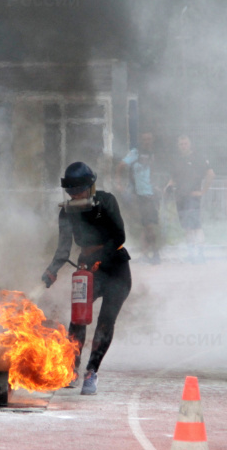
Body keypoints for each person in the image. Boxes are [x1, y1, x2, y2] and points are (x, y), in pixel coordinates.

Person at [41, 162, 132, 395]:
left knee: (105, 322)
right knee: (78, 319)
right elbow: (63, 248)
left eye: (79, 190)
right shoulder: (67, 211)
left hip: (116, 269)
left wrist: (100, 258)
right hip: (87, 271)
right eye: (70, 191)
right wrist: (52, 269)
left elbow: (119, 235)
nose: (75, 195)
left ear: (91, 187)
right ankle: (72, 367)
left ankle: (92, 372)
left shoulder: (106, 202)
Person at [165, 135, 215, 264]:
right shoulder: (176, 160)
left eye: (185, 143)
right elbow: (174, 179)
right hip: (180, 197)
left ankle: (200, 254)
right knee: (187, 227)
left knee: (196, 226)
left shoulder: (198, 158)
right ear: (178, 145)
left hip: (192, 197)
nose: (183, 146)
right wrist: (168, 186)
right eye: (181, 144)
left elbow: (211, 174)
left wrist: (203, 191)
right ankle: (191, 254)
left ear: (190, 144)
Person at [117, 132, 160, 264]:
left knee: (149, 226)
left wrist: (158, 188)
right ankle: (149, 254)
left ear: (152, 141)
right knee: (146, 226)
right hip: (139, 195)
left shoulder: (153, 155)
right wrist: (119, 183)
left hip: (151, 195)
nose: (147, 141)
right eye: (145, 139)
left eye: (149, 139)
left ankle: (152, 254)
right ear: (141, 141)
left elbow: (154, 174)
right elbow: (121, 166)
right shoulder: (135, 153)